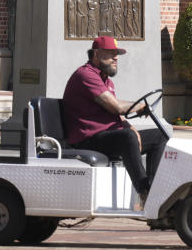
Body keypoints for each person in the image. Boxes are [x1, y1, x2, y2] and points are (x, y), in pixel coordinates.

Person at [62, 35, 166, 202]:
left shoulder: (106, 81)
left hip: (107, 136)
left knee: (159, 136)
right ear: (96, 54)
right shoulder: (86, 75)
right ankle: (144, 193)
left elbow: (115, 114)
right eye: (111, 53)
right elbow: (116, 106)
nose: (116, 57)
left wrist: (130, 127)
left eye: (116, 53)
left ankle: (154, 188)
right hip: (88, 139)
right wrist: (141, 107)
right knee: (127, 137)